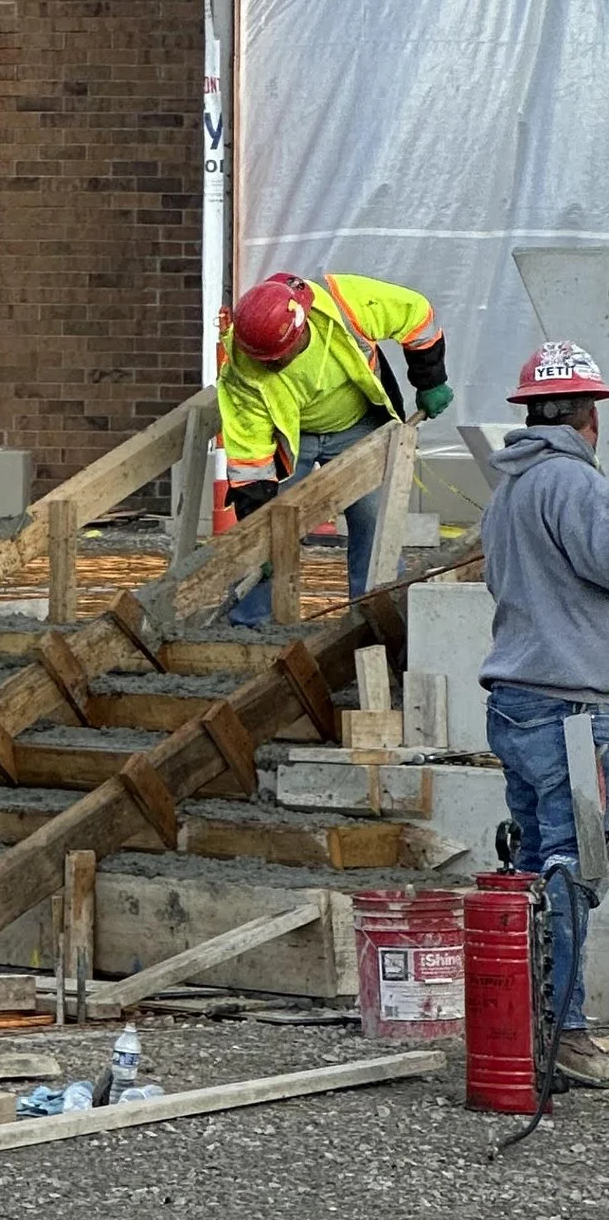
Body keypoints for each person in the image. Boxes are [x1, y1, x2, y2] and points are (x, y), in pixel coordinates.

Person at [479, 340, 609, 1088]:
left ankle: (528, 1027)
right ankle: (568, 1031)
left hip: (519, 700)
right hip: (567, 707)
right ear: (588, 417)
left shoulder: (511, 491)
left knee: (536, 863)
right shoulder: (573, 482)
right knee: (570, 865)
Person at [217, 270, 454, 630]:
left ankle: (378, 618)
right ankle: (252, 626)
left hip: (358, 425)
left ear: (300, 329)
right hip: (290, 439)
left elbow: (416, 313)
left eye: (278, 359)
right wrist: (259, 535)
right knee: (269, 532)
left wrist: (431, 379)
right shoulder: (242, 370)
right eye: (263, 361)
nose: (270, 367)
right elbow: (250, 462)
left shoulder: (347, 303)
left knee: (374, 524)